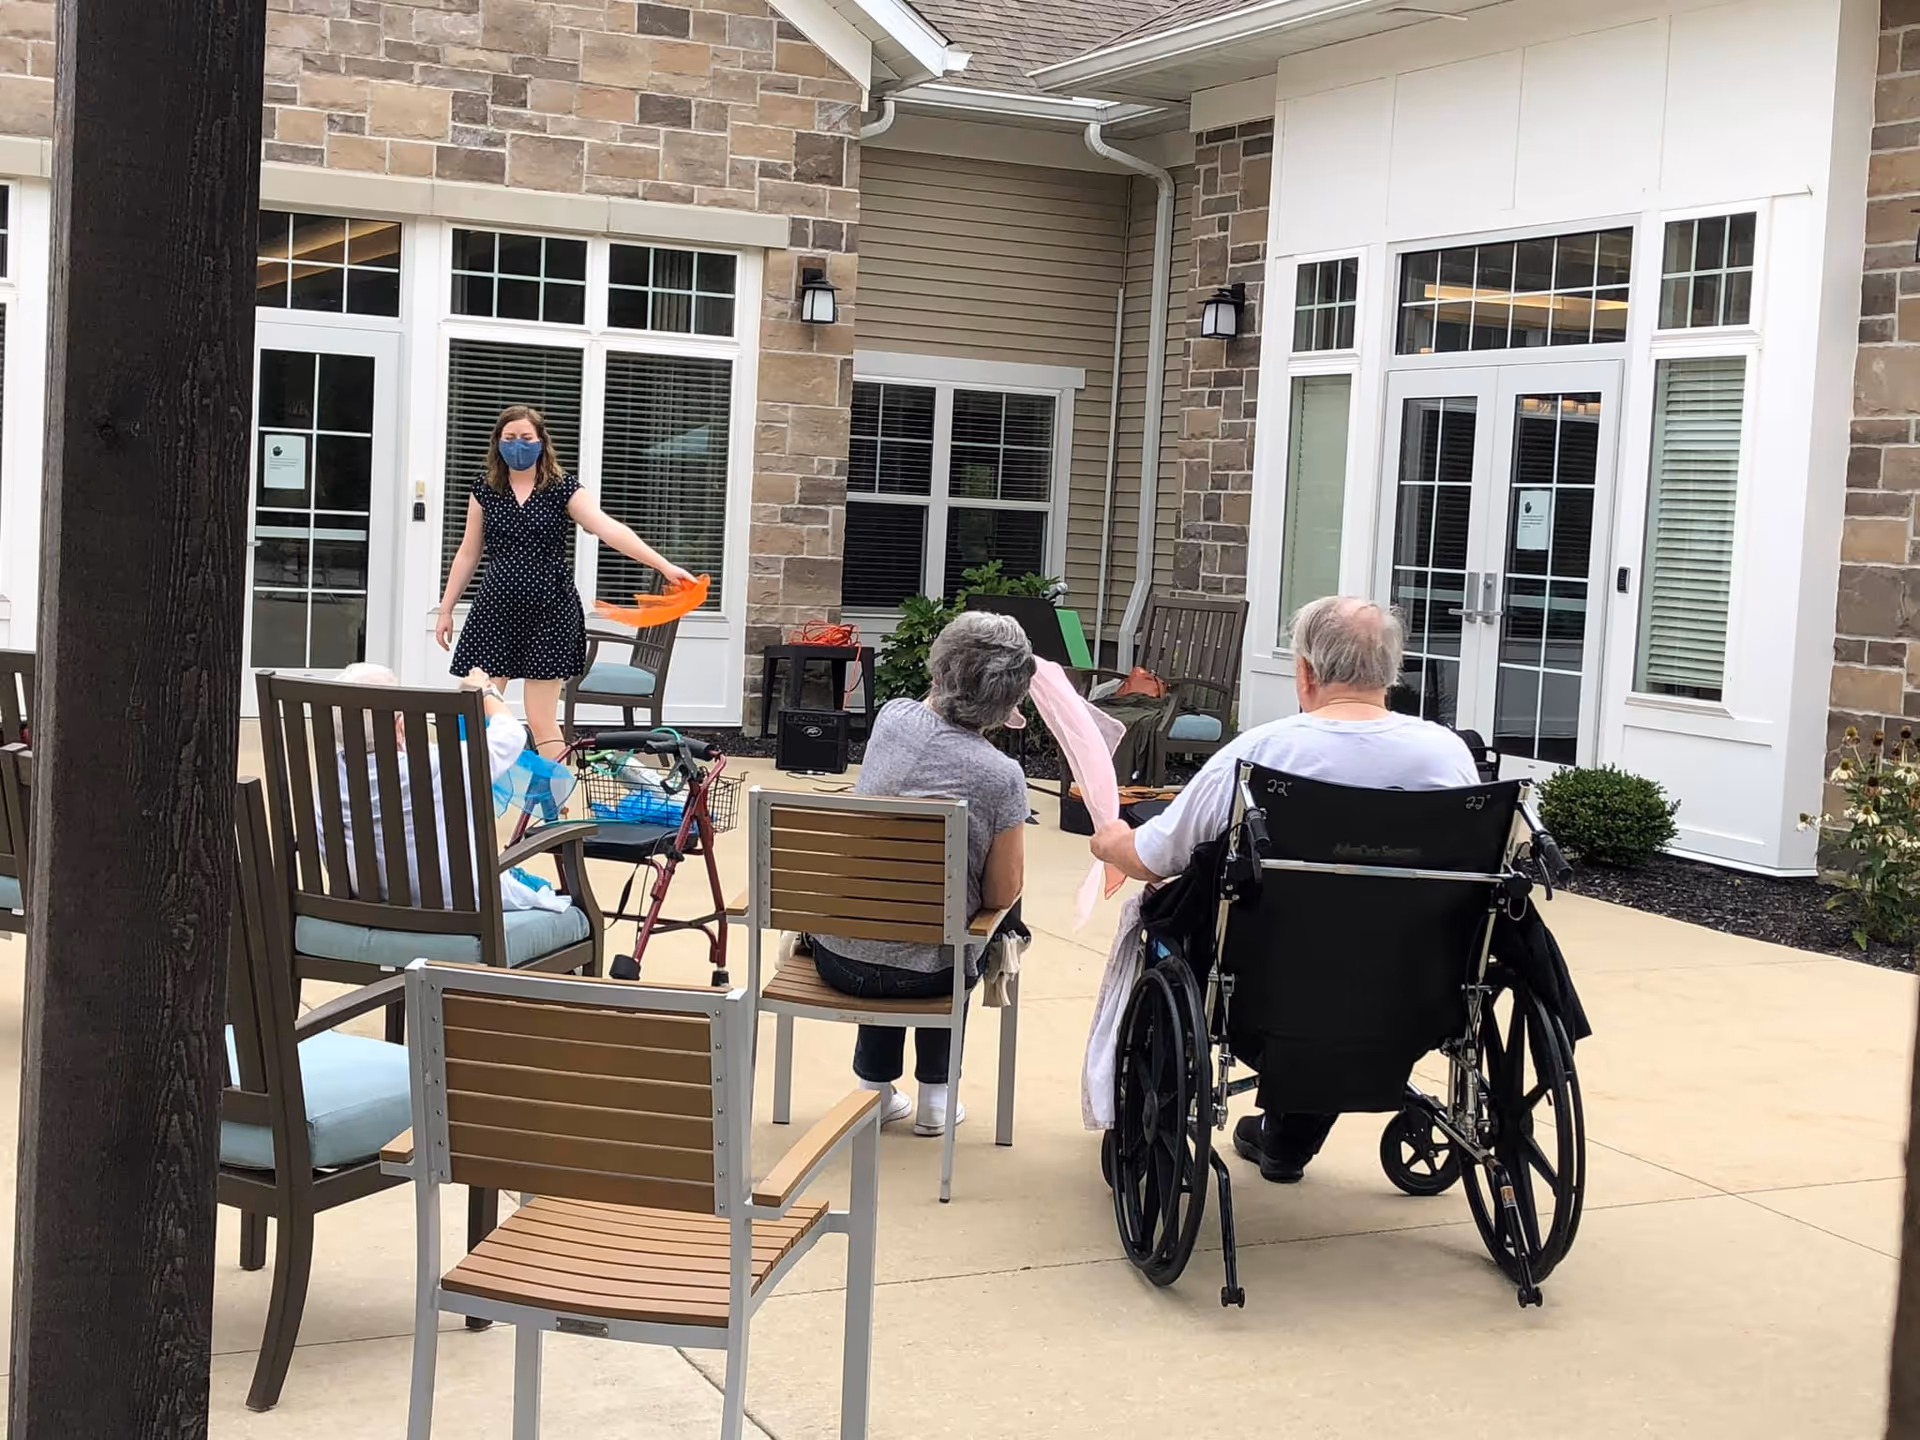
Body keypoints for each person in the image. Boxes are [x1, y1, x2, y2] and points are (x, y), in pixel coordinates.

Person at [1091, 595, 1480, 1184]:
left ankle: (1163, 1119)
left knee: (1167, 925)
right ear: (1391, 673)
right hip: (1417, 986)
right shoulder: (1447, 755)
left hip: (1266, 991)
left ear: (1306, 672)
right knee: (1345, 941)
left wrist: (1111, 838)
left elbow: (1155, 858)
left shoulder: (1263, 754)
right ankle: (1288, 1141)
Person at [810, 611, 1034, 1137]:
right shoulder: (1002, 777)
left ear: (941, 668)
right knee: (963, 924)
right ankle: (937, 1096)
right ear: (1010, 698)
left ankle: (875, 1089)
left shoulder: (892, 718)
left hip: (839, 955)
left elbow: (937, 707)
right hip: (929, 975)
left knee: (884, 905)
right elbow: (1002, 892)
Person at [436, 403, 694, 760]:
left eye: (526, 438)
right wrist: (446, 609)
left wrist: (664, 566)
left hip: (550, 611)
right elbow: (468, 552)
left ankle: (555, 799)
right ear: (497, 443)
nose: (517, 445)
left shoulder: (561, 488)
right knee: (481, 704)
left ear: (542, 442)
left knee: (541, 716)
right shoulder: (485, 489)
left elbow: (608, 528)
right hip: (495, 608)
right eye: (509, 438)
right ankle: (480, 794)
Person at [334, 663, 568, 914]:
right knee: (553, 897)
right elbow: (511, 735)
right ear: (399, 727)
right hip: (455, 906)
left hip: (367, 906)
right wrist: (485, 693)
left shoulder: (333, 776)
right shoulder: (437, 765)